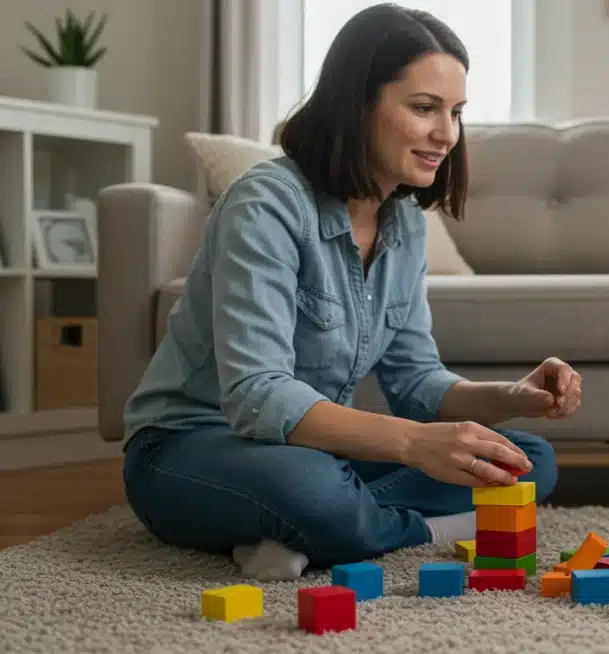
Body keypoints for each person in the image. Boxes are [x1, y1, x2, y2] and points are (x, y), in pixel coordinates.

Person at [121, 4, 578, 581]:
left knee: (524, 460)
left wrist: (514, 396)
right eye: (424, 108)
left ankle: (316, 533)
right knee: (311, 490)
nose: (447, 133)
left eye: (456, 112)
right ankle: (402, 530)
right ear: (357, 104)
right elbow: (257, 395)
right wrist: (412, 445)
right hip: (188, 446)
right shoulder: (267, 204)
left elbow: (415, 382)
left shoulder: (405, 222)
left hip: (308, 451)